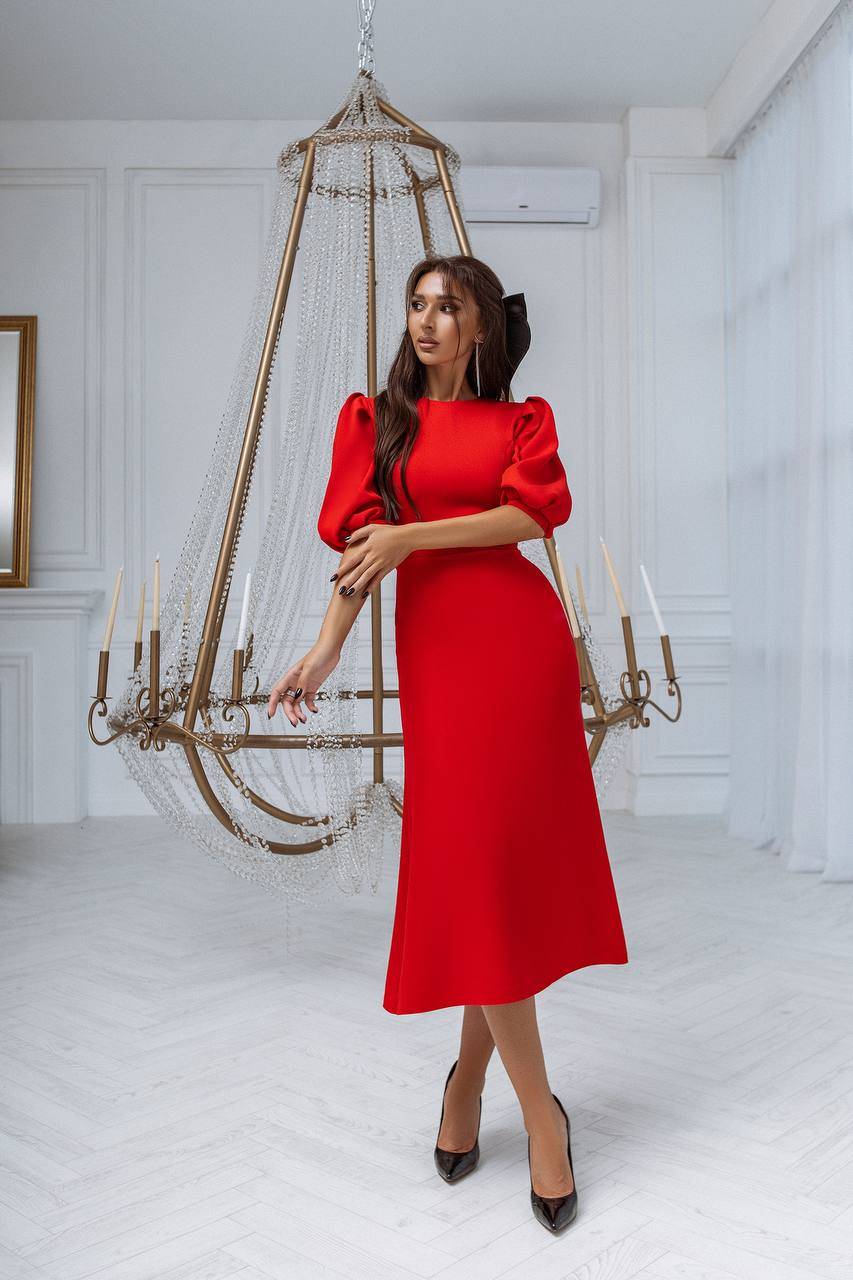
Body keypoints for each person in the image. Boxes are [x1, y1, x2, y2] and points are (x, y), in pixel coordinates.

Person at [267, 253, 628, 1234]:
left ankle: (491, 1096)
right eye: (417, 304)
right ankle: (529, 1108)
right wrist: (322, 651)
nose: (426, 320)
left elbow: (529, 517)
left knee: (492, 878)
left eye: (448, 307)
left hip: (519, 646)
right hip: (439, 658)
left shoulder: (520, 422)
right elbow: (360, 552)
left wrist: (412, 538)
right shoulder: (376, 422)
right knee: (474, 872)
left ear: (480, 328)